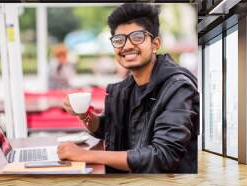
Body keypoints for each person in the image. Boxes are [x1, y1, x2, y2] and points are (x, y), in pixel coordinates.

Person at [58, 3, 199, 173]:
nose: (127, 46)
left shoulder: (177, 87)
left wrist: (84, 155)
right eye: (119, 40)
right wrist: (85, 114)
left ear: (155, 44)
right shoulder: (124, 89)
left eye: (137, 37)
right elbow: (107, 129)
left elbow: (163, 156)